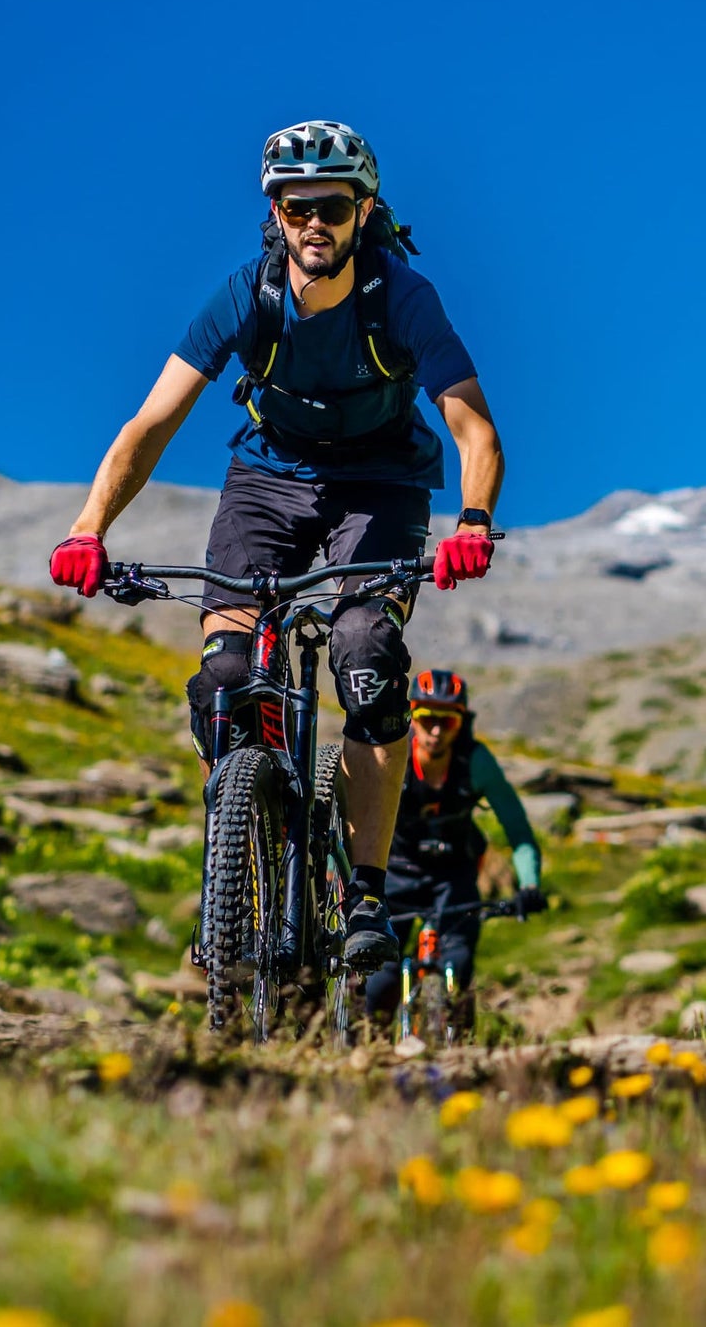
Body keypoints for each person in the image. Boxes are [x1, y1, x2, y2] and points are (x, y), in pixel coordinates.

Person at [49, 119, 504, 971]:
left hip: (380, 484)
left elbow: (471, 425)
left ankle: (364, 893)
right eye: (296, 208)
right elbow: (150, 423)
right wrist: (87, 528)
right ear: (276, 213)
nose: (313, 224)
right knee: (223, 679)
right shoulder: (245, 295)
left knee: (365, 653)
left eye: (331, 205)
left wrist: (471, 522)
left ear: (362, 211)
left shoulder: (400, 297)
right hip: (265, 482)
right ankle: (236, 857)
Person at [364, 668, 547, 1026]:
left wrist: (529, 884)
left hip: (454, 880)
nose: (435, 731)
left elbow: (519, 831)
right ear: (411, 716)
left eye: (446, 722)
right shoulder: (394, 754)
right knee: (379, 983)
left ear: (461, 722)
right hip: (394, 874)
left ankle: (456, 1049)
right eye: (427, 718)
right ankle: (367, 1052)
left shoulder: (477, 762)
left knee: (458, 971)